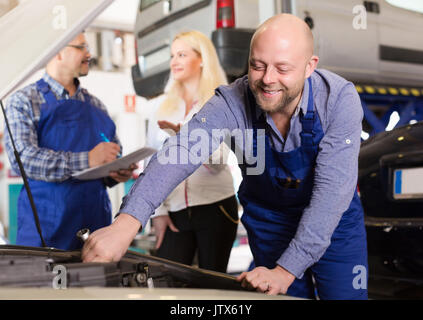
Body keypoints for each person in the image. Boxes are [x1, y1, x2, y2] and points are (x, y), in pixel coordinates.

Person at [81, 14, 368, 300]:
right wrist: (125, 224)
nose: (268, 79)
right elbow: (180, 153)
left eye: (282, 68)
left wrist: (285, 270)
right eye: (257, 65)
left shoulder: (338, 100)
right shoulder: (232, 101)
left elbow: (331, 195)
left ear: (310, 67)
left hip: (335, 223)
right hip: (270, 221)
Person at [4, 33, 136, 250]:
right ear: (57, 51)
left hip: (96, 230)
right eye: (81, 47)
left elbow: (113, 153)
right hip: (46, 231)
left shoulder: (97, 106)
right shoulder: (24, 101)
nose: (89, 54)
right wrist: (88, 159)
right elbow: (23, 159)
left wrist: (116, 172)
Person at [142, 31, 239, 273]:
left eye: (182, 54)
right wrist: (158, 211)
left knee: (213, 284)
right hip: (174, 210)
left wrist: (185, 138)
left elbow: (218, 163)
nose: (174, 61)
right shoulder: (161, 105)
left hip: (215, 207)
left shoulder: (219, 102)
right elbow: (150, 162)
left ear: (202, 59)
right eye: (172, 56)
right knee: (168, 280)